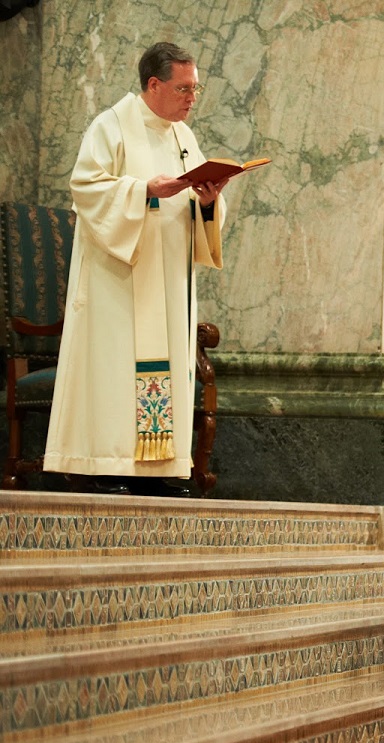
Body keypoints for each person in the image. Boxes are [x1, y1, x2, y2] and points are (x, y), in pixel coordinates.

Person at [43, 42, 229, 496]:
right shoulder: (111, 126)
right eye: (183, 88)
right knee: (118, 370)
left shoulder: (183, 137)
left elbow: (195, 207)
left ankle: (162, 470)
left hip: (168, 281)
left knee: (167, 369)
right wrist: (143, 190)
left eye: (196, 87)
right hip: (119, 279)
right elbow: (86, 189)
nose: (192, 97)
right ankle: (110, 465)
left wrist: (207, 202)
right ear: (153, 84)